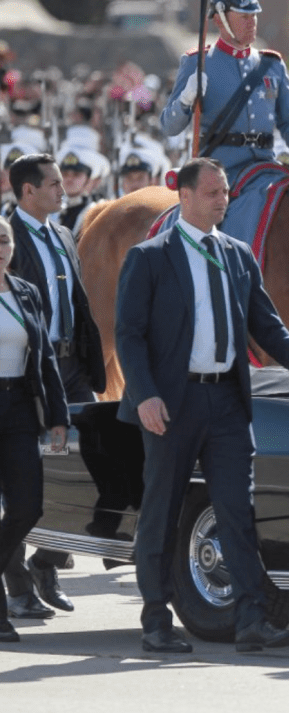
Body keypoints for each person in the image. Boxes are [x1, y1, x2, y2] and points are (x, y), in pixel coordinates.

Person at [114, 158, 289, 654]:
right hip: (171, 404)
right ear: (184, 196)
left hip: (225, 401)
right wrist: (145, 394)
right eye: (212, 193)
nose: (223, 200)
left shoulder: (238, 255)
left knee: (237, 511)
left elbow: (269, 327)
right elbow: (129, 335)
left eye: (225, 192)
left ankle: (251, 620)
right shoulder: (150, 257)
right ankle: (156, 620)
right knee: (161, 513)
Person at [6, 153, 106, 619]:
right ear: (27, 191)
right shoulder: (7, 238)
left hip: (72, 370)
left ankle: (48, 560)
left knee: (92, 464)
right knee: (24, 483)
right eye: (52, 184)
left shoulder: (64, 235)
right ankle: (18, 586)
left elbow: (78, 302)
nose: (63, 191)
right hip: (28, 376)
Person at [0, 215, 69, 644]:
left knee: (28, 507)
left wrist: (58, 416)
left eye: (3, 240)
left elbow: (45, 358)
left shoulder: (26, 292)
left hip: (20, 410)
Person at [159, 0, 289, 189]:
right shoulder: (197, 62)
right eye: (244, 17)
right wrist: (185, 99)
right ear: (219, 20)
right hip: (218, 174)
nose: (252, 22)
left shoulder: (272, 65)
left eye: (254, 16)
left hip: (266, 168)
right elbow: (169, 127)